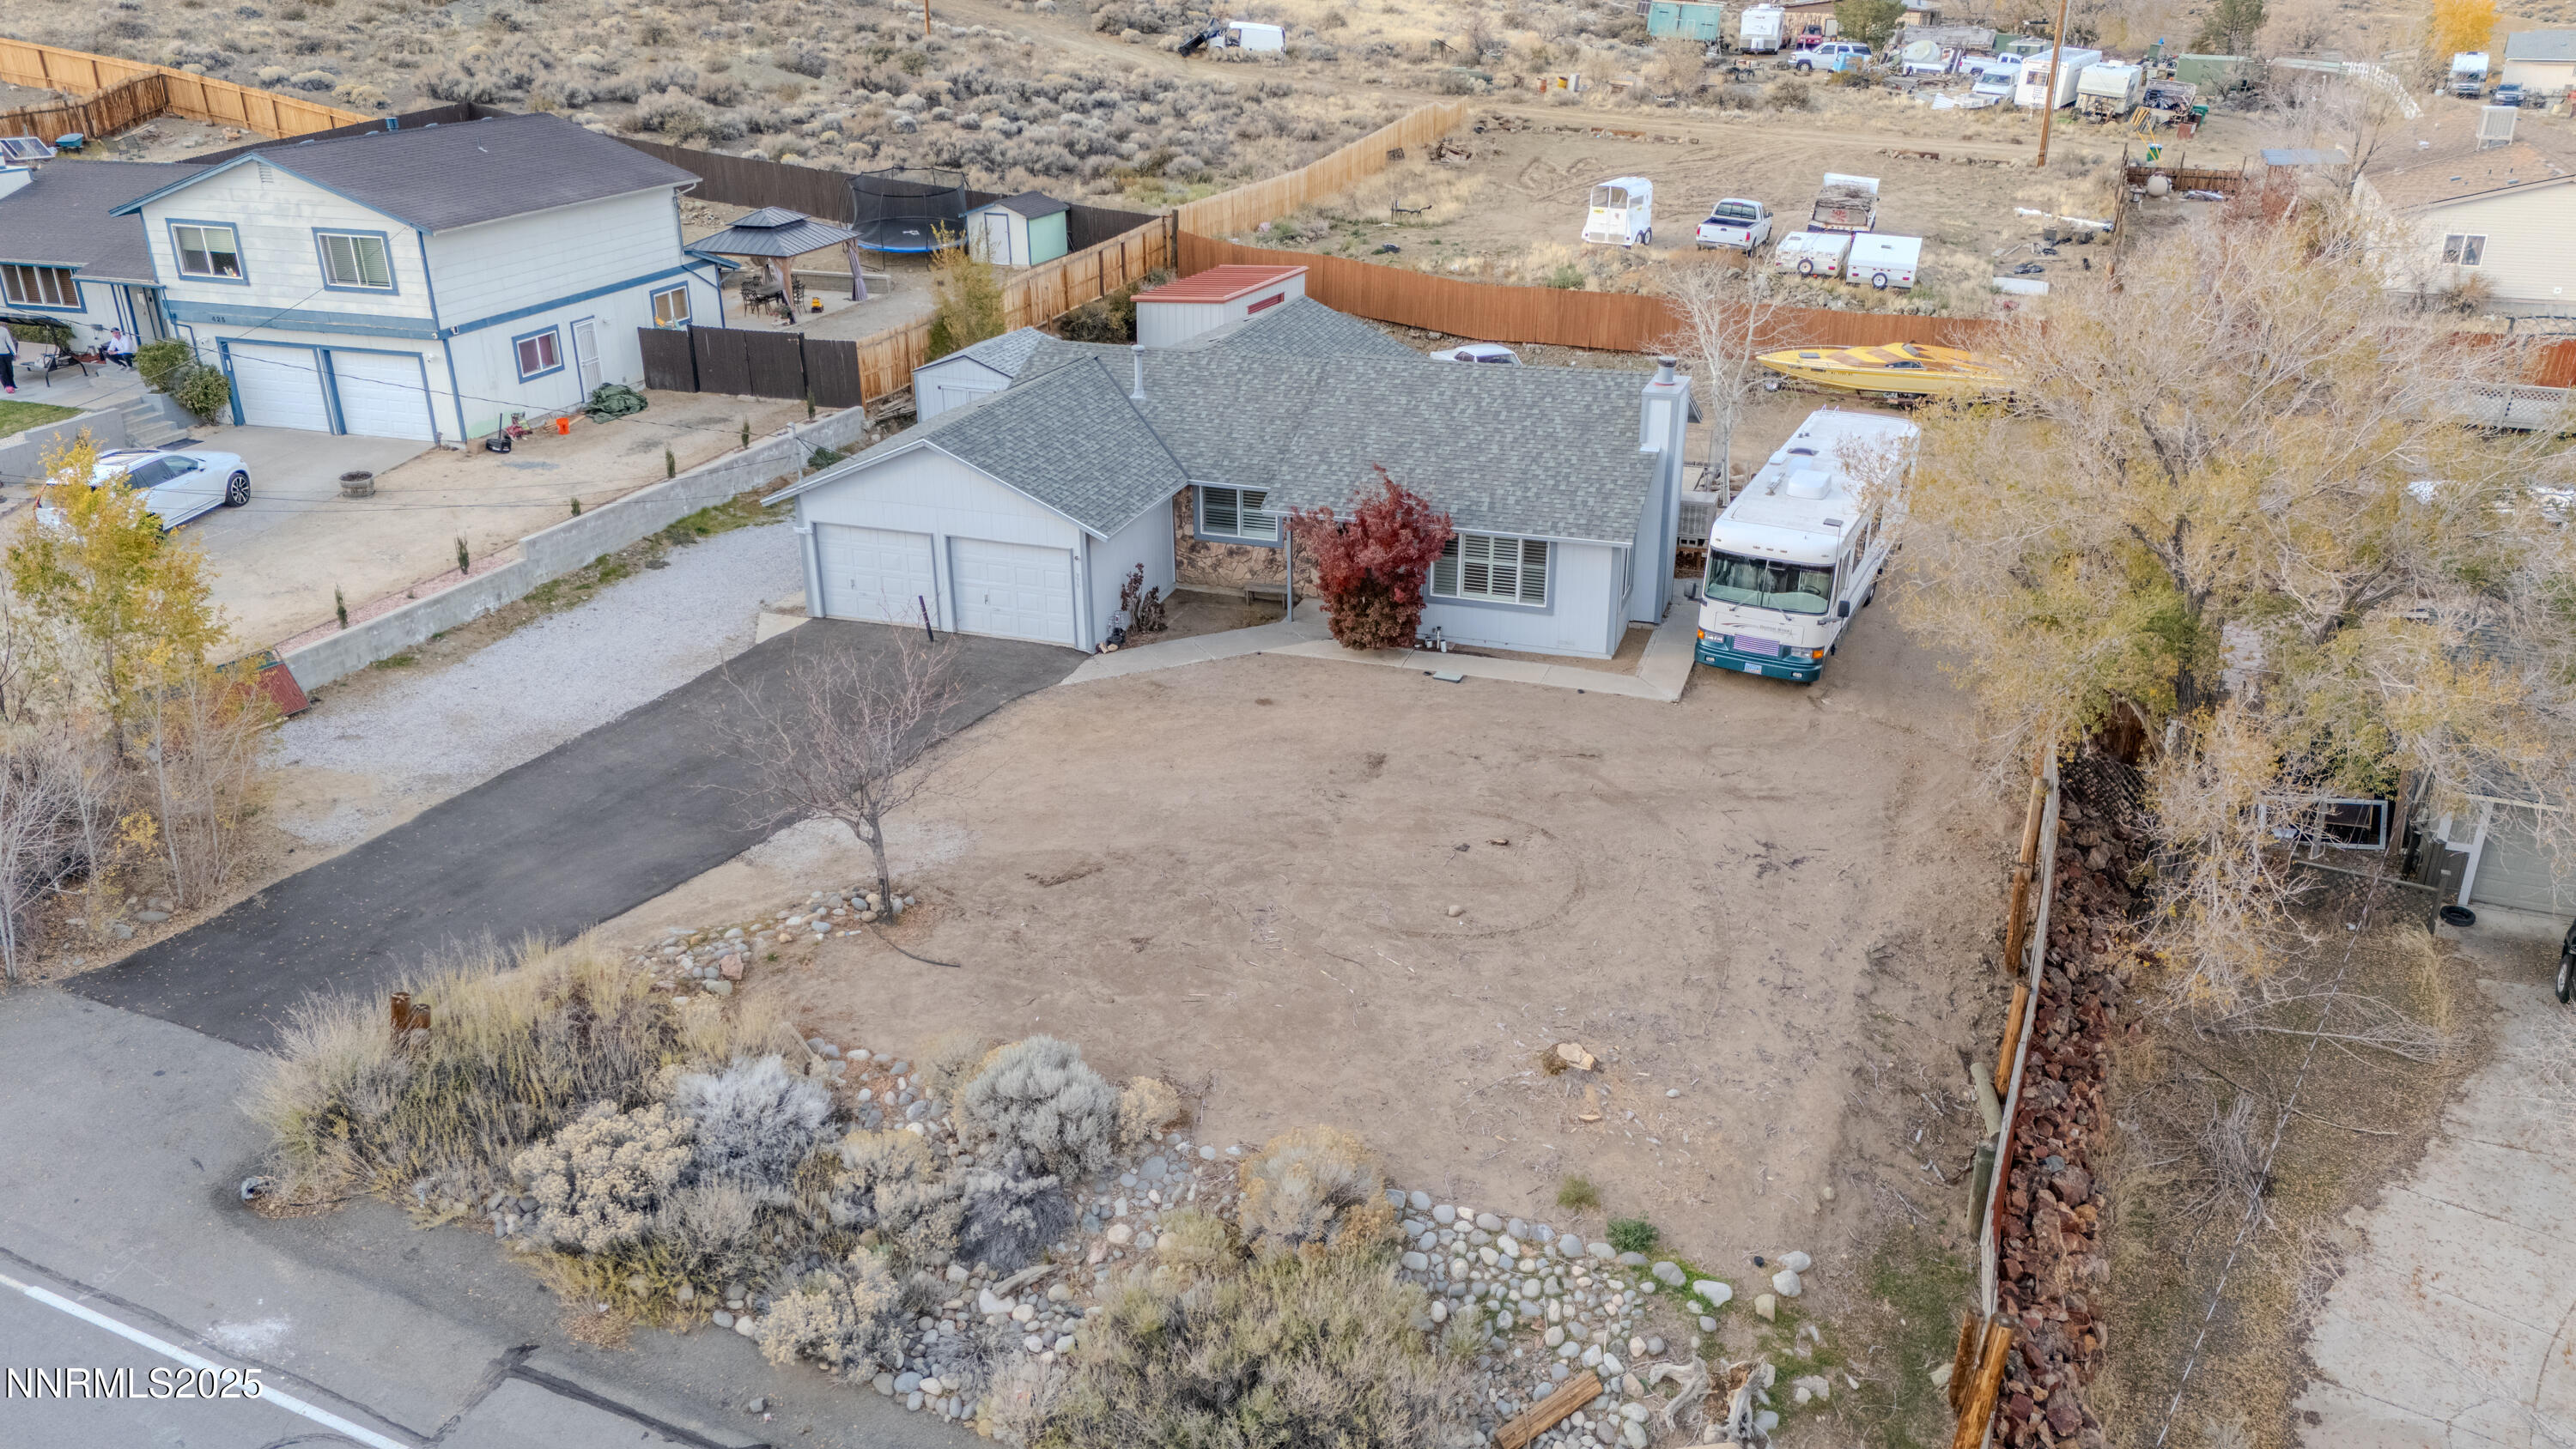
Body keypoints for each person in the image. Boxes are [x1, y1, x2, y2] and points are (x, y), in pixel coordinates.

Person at [0, 324, 15, 394]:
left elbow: (10, 342)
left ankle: (12, 384)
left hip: (6, 353)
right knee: (2, 371)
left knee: (10, 370)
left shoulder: (4, 330)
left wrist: (14, 353)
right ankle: (7, 386)